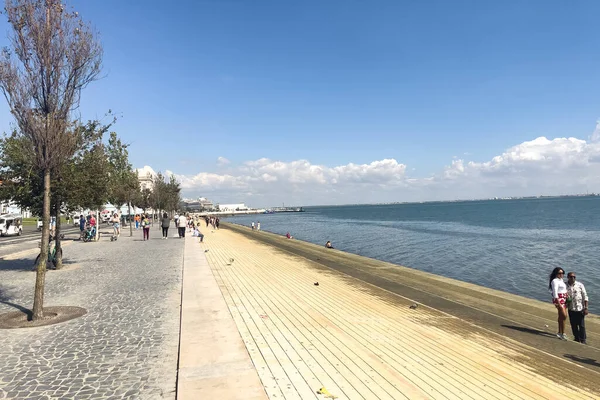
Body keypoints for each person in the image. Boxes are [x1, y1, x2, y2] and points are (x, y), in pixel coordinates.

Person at [566, 272, 589, 344]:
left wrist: (586, 308)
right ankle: (576, 338)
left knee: (581, 325)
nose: (572, 278)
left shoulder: (580, 285)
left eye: (574, 277)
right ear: (568, 277)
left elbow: (585, 296)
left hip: (579, 308)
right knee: (573, 324)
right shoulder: (565, 285)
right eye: (571, 277)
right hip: (571, 308)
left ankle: (583, 339)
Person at [549, 267, 568, 340]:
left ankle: (560, 332)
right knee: (564, 315)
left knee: (561, 316)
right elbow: (555, 292)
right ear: (556, 273)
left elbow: (563, 289)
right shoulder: (554, 281)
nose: (561, 275)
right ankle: (562, 333)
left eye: (562, 273)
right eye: (559, 273)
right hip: (559, 299)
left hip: (564, 298)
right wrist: (558, 303)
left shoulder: (561, 280)